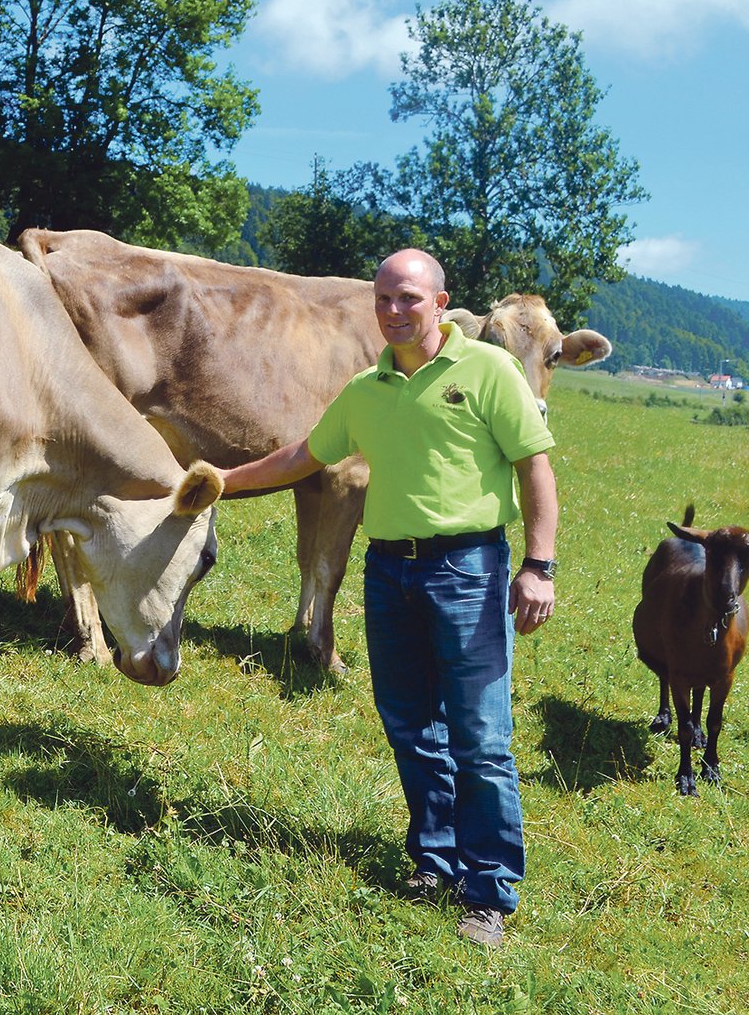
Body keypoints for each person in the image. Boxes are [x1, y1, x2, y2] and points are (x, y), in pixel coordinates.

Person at [219, 249, 558, 946]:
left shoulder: (488, 370)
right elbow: (303, 456)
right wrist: (221, 481)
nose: (394, 310)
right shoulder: (365, 388)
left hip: (469, 569)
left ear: (441, 303)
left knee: (480, 737)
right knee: (410, 724)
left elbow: (535, 467)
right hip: (389, 573)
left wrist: (538, 566)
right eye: (383, 299)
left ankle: (488, 891)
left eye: (408, 297)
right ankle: (435, 860)